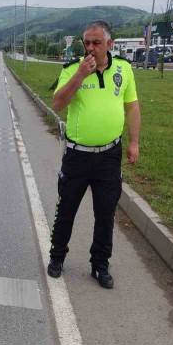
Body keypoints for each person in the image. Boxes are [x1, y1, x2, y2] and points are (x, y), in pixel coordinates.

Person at [47, 20, 141, 289]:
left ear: (109, 44)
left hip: (110, 155)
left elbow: (132, 107)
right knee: (66, 210)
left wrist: (134, 143)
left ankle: (100, 265)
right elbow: (57, 103)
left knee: (106, 213)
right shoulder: (71, 70)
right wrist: (79, 75)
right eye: (86, 42)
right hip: (78, 156)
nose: (90, 48)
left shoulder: (123, 69)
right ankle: (57, 257)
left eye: (96, 43)